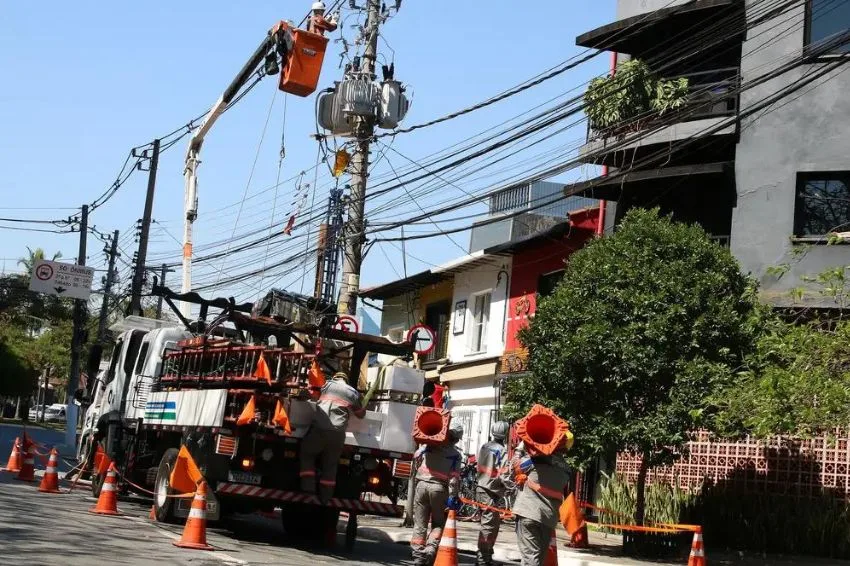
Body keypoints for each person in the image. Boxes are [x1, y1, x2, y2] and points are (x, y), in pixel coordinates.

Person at [299, 371, 366, 502]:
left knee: (307, 454)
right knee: (330, 464)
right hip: (338, 434)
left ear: (334, 378)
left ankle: (308, 490)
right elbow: (360, 415)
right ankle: (325, 498)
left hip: (319, 430)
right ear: (346, 380)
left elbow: (310, 395)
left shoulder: (325, 385)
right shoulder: (352, 392)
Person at [511, 435, 572, 566]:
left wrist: (520, 449)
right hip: (548, 517)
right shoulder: (566, 469)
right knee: (538, 557)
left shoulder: (534, 460)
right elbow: (560, 494)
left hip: (528, 512)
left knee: (530, 558)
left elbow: (513, 467)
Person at [411, 419, 464, 566]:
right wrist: (453, 497)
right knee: (438, 523)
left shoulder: (429, 446)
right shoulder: (455, 455)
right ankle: (429, 550)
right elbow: (453, 480)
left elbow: (415, 457)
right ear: (456, 439)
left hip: (421, 485)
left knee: (420, 523)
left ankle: (417, 555)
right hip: (439, 490)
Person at [475, 420, 511, 566]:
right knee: (489, 527)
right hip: (490, 491)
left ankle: (487, 557)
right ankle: (483, 560)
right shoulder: (501, 451)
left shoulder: (485, 446)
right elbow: (504, 474)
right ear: (505, 435)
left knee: (492, 525)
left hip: (481, 488)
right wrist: (512, 487)